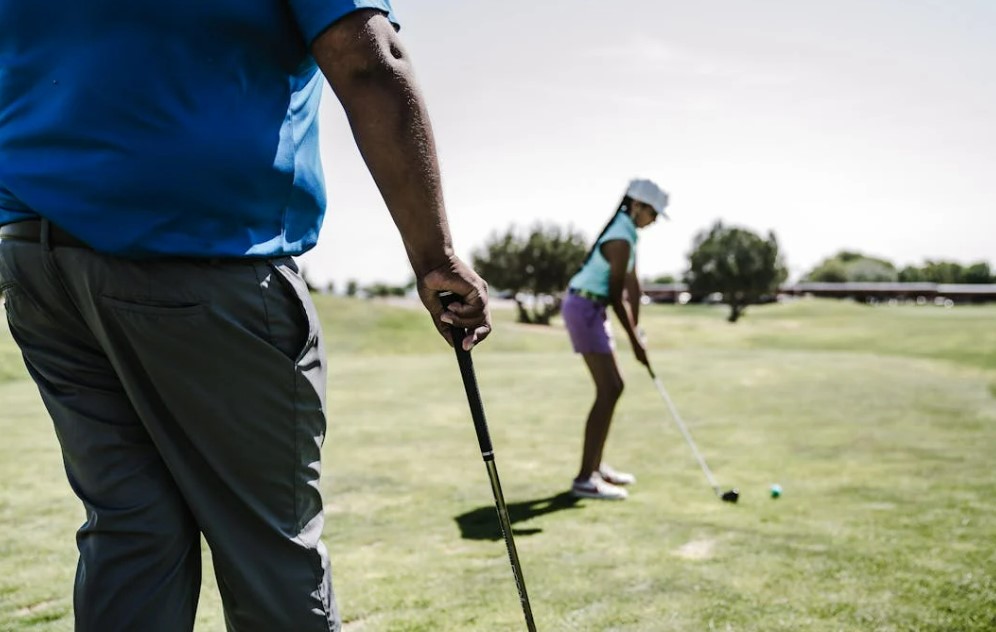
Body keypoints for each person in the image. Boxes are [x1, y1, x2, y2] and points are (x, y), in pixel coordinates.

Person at [0, 4, 490, 631]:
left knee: (131, 532)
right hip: (194, 248)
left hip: (40, 258)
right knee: (271, 551)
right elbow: (369, 62)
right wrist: (435, 256)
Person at [562, 179, 669, 500]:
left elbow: (633, 288)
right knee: (610, 387)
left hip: (591, 307)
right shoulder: (621, 236)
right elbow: (614, 294)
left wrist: (638, 332)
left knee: (613, 388)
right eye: (653, 212)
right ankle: (585, 479)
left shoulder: (628, 233)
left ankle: (594, 467)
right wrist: (635, 342)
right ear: (636, 205)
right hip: (585, 306)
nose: (654, 220)